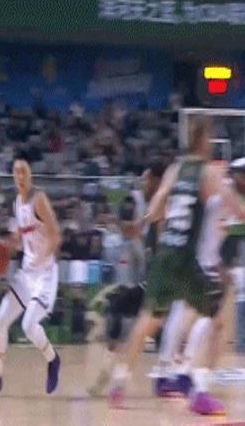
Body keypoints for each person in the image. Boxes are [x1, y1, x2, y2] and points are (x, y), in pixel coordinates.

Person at [108, 115, 245, 415]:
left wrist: (142, 224)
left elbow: (157, 206)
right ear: (203, 140)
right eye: (210, 138)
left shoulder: (175, 169)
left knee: (147, 323)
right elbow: (242, 212)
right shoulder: (208, 173)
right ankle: (198, 390)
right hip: (187, 261)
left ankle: (120, 384)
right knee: (219, 320)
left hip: (165, 253)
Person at [0, 152, 62, 396]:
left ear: (30, 175)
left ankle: (53, 360)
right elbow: (21, 240)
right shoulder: (17, 204)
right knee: (0, 320)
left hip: (45, 275)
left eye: (24, 171)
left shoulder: (39, 199)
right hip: (27, 274)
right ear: (13, 177)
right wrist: (5, 246)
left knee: (29, 325)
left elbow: (56, 236)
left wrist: (41, 258)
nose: (20, 176)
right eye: (16, 172)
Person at [86, 160, 165, 396]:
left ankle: (169, 376)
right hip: (146, 279)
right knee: (119, 313)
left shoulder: (165, 207)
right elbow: (131, 230)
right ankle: (108, 373)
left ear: (157, 180)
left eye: (148, 179)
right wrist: (118, 220)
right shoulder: (147, 207)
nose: (145, 183)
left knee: (158, 328)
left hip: (162, 281)